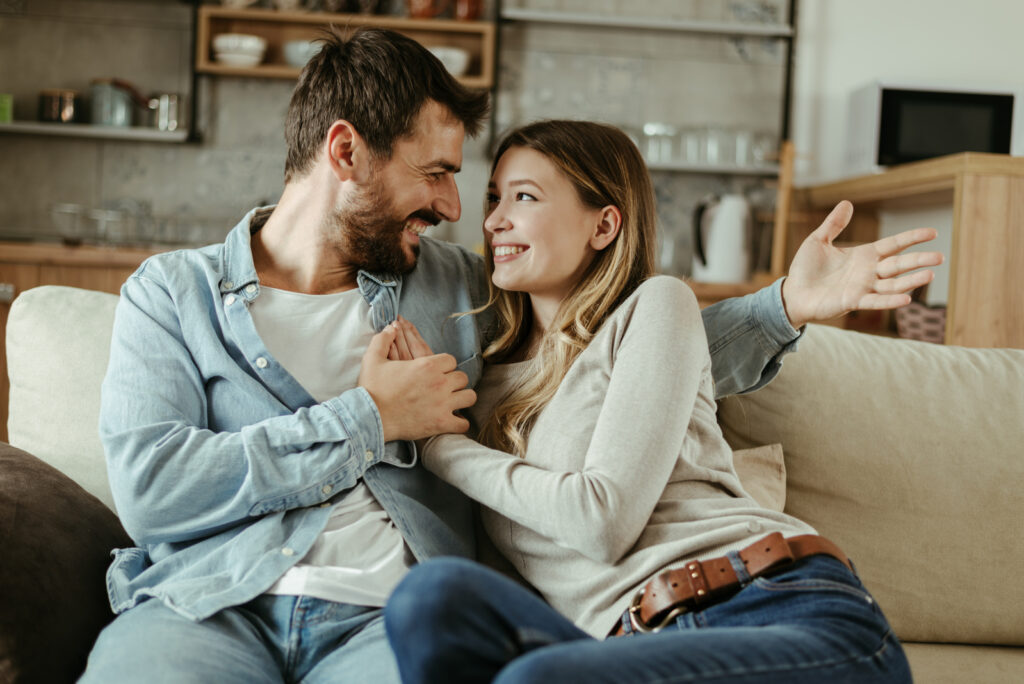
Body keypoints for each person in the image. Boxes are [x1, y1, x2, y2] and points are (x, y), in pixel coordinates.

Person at [82, 26, 938, 683]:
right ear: (345, 152)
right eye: (437, 175)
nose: (458, 209)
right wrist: (369, 419)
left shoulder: (458, 285)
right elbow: (156, 492)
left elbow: (616, 358)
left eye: (483, 189)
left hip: (385, 618)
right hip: (207, 606)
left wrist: (782, 306)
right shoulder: (174, 293)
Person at [382, 120, 919, 683]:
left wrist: (440, 445)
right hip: (623, 646)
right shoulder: (483, 387)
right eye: (494, 198)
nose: (493, 221)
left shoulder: (655, 307)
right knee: (430, 597)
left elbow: (601, 521)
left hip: (772, 608)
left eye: (523, 197)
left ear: (604, 224)